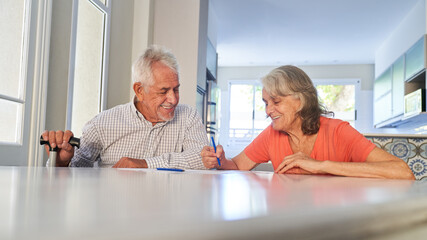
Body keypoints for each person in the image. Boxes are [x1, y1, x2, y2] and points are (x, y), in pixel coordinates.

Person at [201, 65, 415, 180]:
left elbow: (402, 171)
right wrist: (219, 161)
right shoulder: (271, 134)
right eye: (266, 103)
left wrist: (321, 166)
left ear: (300, 100)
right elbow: (237, 166)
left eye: (276, 101)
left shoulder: (339, 132)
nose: (268, 110)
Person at [42, 45, 208, 169]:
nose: (173, 99)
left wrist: (144, 164)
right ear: (139, 90)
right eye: (163, 91)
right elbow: (76, 173)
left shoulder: (188, 117)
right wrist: (61, 162)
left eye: (176, 89)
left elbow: (204, 159)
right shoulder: (102, 124)